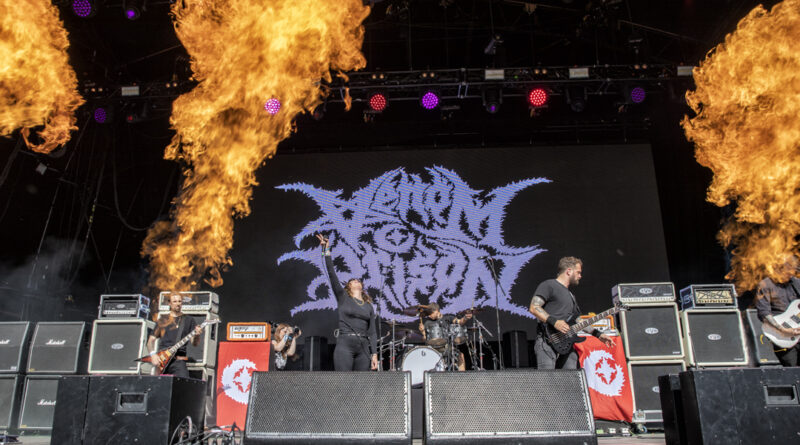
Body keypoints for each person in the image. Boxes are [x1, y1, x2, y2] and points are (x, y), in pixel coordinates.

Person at [529, 256, 614, 369]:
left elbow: (578, 320)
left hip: (567, 343)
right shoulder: (549, 285)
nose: (580, 276)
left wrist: (598, 334)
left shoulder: (571, 296)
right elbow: (534, 307)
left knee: (570, 380)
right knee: (547, 382)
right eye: (578, 272)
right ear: (569, 271)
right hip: (547, 341)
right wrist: (554, 322)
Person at [317, 233, 378, 371]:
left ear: (362, 286)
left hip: (363, 347)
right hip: (345, 344)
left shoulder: (368, 306)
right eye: (352, 281)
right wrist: (327, 250)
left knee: (361, 384)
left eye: (358, 280)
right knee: (344, 382)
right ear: (348, 287)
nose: (356, 280)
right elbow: (332, 274)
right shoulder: (344, 298)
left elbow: (372, 332)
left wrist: (374, 354)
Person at [755, 255, 800, 367]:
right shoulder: (765, 285)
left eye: (793, 270)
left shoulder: (796, 283)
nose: (791, 273)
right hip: (782, 336)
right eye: (789, 269)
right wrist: (783, 330)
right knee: (791, 368)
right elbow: (764, 313)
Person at [146, 293, 203, 378]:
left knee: (182, 385)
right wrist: (153, 355)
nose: (178, 303)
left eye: (179, 301)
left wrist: (197, 335)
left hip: (179, 361)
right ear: (169, 303)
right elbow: (150, 342)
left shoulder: (188, 320)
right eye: (175, 301)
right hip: (162, 360)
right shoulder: (163, 320)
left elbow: (194, 343)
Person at [418, 303, 472, 371]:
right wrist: (423, 332)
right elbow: (425, 339)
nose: (429, 315)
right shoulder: (427, 323)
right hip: (434, 348)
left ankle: (463, 378)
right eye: (428, 314)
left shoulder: (448, 318)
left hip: (447, 346)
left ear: (437, 311)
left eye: (430, 313)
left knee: (460, 355)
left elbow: (460, 322)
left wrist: (465, 318)